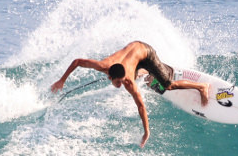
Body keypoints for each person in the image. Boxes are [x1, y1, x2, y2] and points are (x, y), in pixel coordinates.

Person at [50, 41, 210, 147]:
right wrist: (61, 80)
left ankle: (201, 87)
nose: (120, 85)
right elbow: (77, 61)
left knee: (168, 85)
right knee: (136, 72)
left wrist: (146, 131)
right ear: (109, 75)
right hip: (133, 51)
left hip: (146, 53)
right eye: (117, 82)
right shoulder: (102, 65)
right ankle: (145, 71)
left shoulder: (128, 82)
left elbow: (140, 105)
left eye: (121, 81)